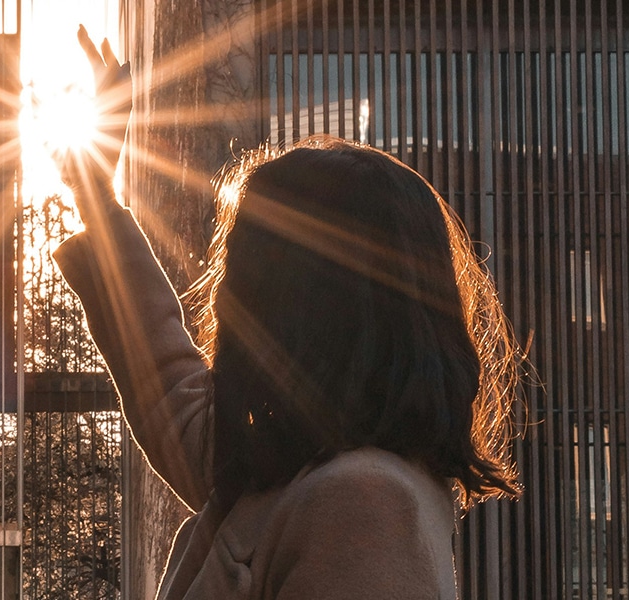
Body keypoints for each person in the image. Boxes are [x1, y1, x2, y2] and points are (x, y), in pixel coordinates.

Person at [53, 27, 524, 600]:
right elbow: (171, 396)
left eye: (241, 270)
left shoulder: (361, 503)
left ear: (294, 306)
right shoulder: (307, 476)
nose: (224, 297)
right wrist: (97, 197)